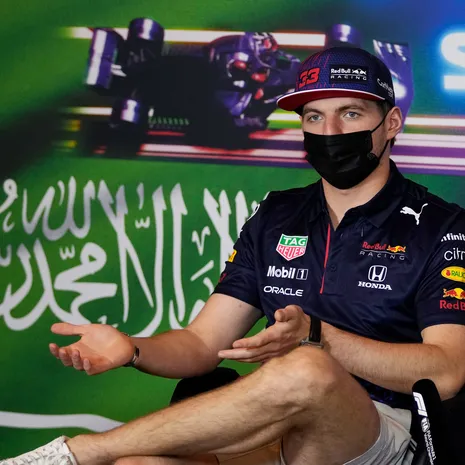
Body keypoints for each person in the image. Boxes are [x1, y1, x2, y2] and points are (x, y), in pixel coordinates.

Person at [3, 46, 465, 465]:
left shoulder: (442, 226)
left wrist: (318, 337)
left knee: (307, 365)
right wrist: (133, 348)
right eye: (313, 117)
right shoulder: (277, 214)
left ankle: (79, 453)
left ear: (391, 123)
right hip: (273, 427)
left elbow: (447, 371)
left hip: (381, 434)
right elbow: (203, 344)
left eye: (350, 113)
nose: (330, 132)